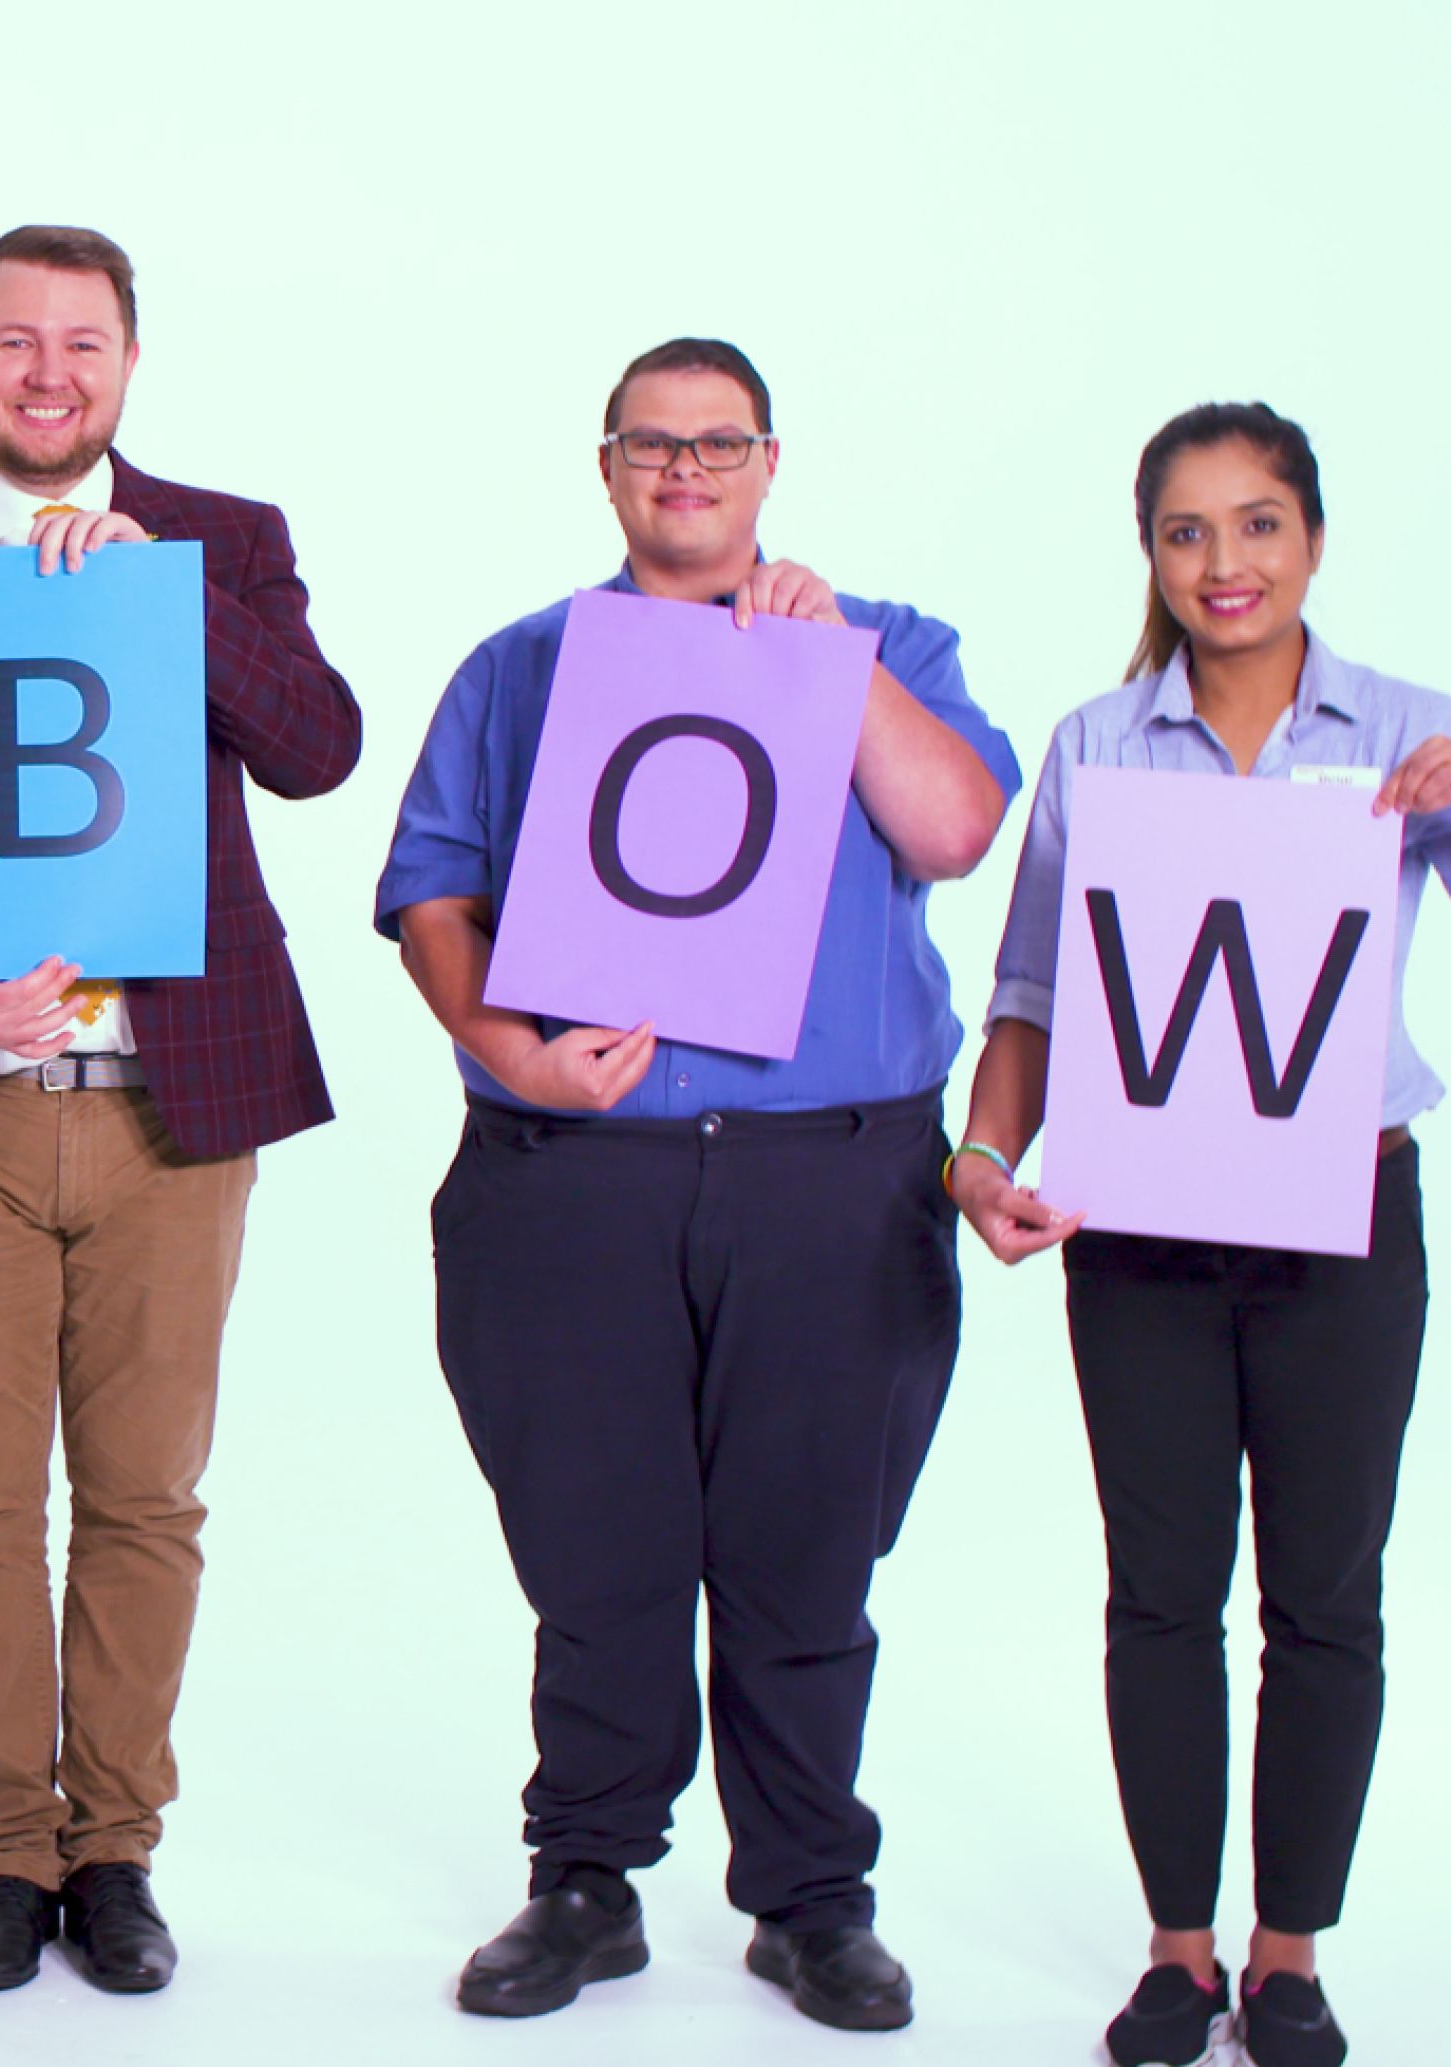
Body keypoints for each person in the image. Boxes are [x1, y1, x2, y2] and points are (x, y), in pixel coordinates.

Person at [374, 338, 1018, 2034]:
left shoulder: (888, 645)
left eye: (716, 445)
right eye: (651, 446)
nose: (683, 472)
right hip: (577, 1169)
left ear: (769, 464)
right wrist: (505, 1044)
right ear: (608, 470)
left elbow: (955, 830)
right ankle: (585, 1880)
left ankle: (811, 1900)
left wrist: (834, 669)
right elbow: (434, 884)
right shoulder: (522, 667)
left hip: (834, 1178)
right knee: (599, 1550)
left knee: (809, 1554)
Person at [949, 403, 1451, 2067]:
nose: (1223, 564)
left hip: (1344, 1217)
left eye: (1256, 526)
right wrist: (981, 1154)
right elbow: (1031, 993)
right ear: (1150, 555)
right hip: (1147, 1222)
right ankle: (1178, 1953)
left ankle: (1289, 1956)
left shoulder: (1408, 730)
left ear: (1312, 538)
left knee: (1325, 1594)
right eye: (1186, 532)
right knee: (1160, 1591)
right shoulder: (1098, 743)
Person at [0, 225, 360, 1995]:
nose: (48, 372)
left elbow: (318, 746)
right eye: (14, 342)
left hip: (177, 1103)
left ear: (126, 364)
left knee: (145, 1501)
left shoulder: (222, 545)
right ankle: (10, 1857)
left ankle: (117, 1850)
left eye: (82, 343)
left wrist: (168, 597)